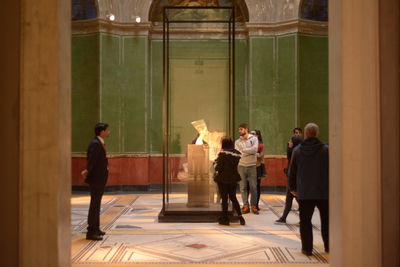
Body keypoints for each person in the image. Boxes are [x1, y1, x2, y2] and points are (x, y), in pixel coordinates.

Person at [288, 123, 329, 256]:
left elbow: (292, 171)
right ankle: (329, 246)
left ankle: (307, 248)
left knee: (305, 221)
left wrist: (292, 188)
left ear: (305, 134)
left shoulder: (298, 150)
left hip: (305, 192)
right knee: (327, 220)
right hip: (324, 191)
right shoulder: (326, 150)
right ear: (317, 133)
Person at [81, 123, 110, 241]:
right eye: (107, 130)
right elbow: (91, 160)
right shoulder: (95, 144)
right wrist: (87, 171)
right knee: (94, 205)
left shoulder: (99, 143)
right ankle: (91, 232)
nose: (108, 132)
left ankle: (96, 228)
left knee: (97, 204)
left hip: (100, 178)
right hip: (96, 179)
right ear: (102, 131)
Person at [213, 136, 245, 226]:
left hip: (223, 179)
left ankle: (225, 218)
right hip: (233, 178)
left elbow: (218, 167)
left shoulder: (222, 154)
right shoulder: (237, 154)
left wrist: (215, 163)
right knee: (233, 197)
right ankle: (240, 217)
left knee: (224, 199)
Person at [275, 129, 303, 224]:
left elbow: (293, 165)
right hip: (292, 179)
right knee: (289, 199)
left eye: (291, 141)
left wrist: (292, 185)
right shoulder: (294, 151)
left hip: (295, 180)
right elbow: (289, 156)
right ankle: (283, 217)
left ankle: (302, 219)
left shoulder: (298, 153)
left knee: (298, 199)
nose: (289, 142)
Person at [235, 123, 259, 214]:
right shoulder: (237, 142)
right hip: (241, 165)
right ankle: (245, 206)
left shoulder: (254, 139)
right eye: (239, 129)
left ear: (246, 129)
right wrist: (250, 151)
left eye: (241, 129)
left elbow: (255, 149)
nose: (239, 131)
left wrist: (244, 150)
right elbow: (238, 153)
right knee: (243, 187)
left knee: (253, 187)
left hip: (252, 165)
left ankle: (254, 206)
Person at [247, 130, 265, 211]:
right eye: (250, 133)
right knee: (247, 186)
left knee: (256, 187)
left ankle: (255, 205)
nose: (251, 135)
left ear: (258, 135)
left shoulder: (261, 144)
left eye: (253, 134)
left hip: (257, 166)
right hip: (248, 166)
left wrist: (252, 153)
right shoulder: (247, 143)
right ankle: (246, 205)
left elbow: (261, 156)